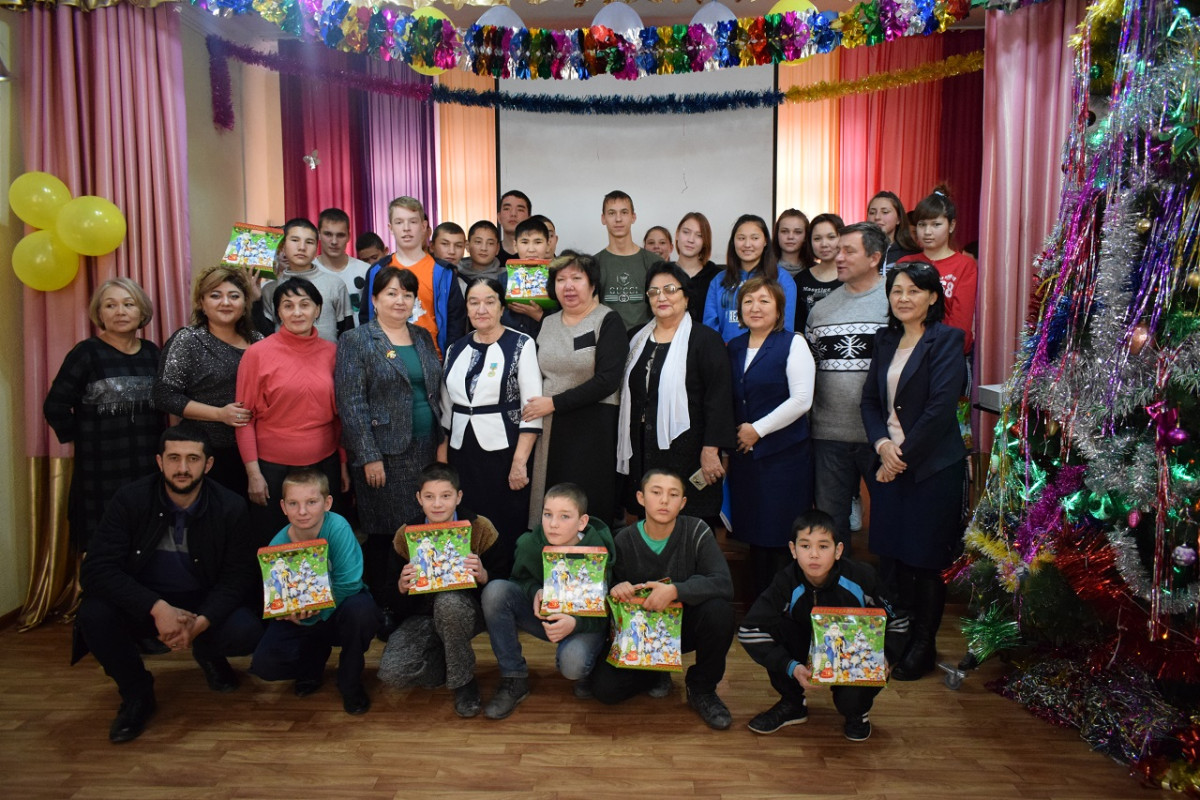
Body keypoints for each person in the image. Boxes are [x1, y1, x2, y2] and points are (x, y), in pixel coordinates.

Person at [77, 425, 263, 743]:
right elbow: (96, 569)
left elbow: (238, 577)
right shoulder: (131, 500)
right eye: (174, 458)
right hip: (145, 602)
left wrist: (201, 623)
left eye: (193, 459)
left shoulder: (230, 506)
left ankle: (208, 652)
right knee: (93, 614)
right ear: (159, 461)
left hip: (201, 601)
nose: (182, 468)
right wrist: (156, 608)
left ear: (208, 464)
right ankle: (137, 693)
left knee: (247, 629)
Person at [860, 261, 967, 681]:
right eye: (896, 291)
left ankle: (924, 645)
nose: (903, 298)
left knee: (926, 561)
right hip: (889, 464)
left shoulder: (947, 340)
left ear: (933, 297)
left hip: (931, 470)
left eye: (914, 291)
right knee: (894, 559)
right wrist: (882, 446)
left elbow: (940, 409)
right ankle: (900, 638)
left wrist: (898, 458)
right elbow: (870, 402)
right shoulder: (885, 339)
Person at [738, 510, 902, 742]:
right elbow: (749, 630)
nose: (814, 554)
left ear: (838, 550)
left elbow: (899, 621)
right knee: (774, 626)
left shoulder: (862, 577)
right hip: (803, 646)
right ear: (793, 550)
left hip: (852, 652)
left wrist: (886, 657)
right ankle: (793, 703)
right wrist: (791, 667)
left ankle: (857, 713)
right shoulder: (785, 581)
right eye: (805, 546)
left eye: (823, 546)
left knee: (850, 701)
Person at [590, 469, 736, 730]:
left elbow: (723, 582)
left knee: (719, 611)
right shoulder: (623, 539)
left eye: (673, 494)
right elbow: (604, 590)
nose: (664, 500)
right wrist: (616, 588)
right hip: (641, 635)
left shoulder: (696, 531)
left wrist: (675, 590)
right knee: (605, 691)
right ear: (641, 498)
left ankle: (701, 688)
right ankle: (656, 670)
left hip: (683, 628)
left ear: (683, 502)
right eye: (656, 492)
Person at [336, 267, 444, 617]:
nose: (400, 301)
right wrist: (369, 455)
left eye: (407, 294)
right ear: (375, 298)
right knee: (386, 533)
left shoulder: (422, 336)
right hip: (383, 453)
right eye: (392, 293)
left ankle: (421, 601)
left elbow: (432, 391)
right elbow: (352, 403)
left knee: (419, 527)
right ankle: (385, 607)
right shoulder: (357, 340)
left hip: (426, 447)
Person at [45, 278, 164, 550]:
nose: (120, 312)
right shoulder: (86, 353)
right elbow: (55, 405)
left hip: (147, 467)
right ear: (99, 313)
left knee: (146, 544)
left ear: (142, 311)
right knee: (104, 548)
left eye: (128, 304)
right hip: (100, 471)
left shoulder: (152, 353)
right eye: (110, 305)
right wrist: (81, 440)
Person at [249, 469, 381, 715]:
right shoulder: (276, 546)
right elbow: (277, 596)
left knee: (362, 611)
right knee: (265, 665)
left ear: (327, 503)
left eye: (311, 502)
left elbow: (350, 582)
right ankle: (311, 665)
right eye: (293, 503)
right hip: (302, 619)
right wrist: (286, 613)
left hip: (339, 608)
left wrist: (315, 614)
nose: (302, 511)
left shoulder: (337, 527)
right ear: (283, 507)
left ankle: (350, 681)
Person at [480, 483, 615, 719]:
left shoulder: (599, 550)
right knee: (495, 591)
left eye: (564, 517)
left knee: (573, 665)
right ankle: (513, 676)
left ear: (582, 522)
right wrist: (535, 591)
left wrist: (576, 623)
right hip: (545, 616)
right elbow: (518, 580)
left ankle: (591, 665)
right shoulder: (530, 543)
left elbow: (606, 610)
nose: (553, 524)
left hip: (587, 623)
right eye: (548, 514)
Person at [378, 463, 501, 717]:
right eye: (429, 497)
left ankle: (464, 683)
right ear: (419, 499)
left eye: (445, 496)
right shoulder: (405, 535)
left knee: (449, 602)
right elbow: (389, 597)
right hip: (423, 615)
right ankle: (448, 661)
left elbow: (505, 583)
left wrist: (484, 576)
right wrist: (401, 587)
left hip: (466, 610)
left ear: (458, 497)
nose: (437, 504)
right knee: (393, 672)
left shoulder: (481, 528)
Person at [439, 278, 543, 575]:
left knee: (505, 521)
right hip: (462, 451)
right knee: (468, 519)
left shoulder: (521, 344)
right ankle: (467, 581)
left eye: (489, 302)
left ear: (501, 307)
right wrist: (443, 463)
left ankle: (503, 583)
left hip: (505, 450)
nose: (481, 309)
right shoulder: (455, 348)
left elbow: (532, 408)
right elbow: (445, 410)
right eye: (474, 302)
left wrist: (519, 462)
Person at [617, 263, 734, 524]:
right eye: (654, 291)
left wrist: (711, 449)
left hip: (690, 448)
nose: (661, 297)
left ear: (686, 296)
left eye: (670, 289)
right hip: (642, 446)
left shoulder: (705, 340)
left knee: (690, 520)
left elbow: (719, 399)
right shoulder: (635, 338)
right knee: (647, 515)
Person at [235, 277, 347, 544]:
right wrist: (253, 474)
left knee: (325, 542)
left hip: (325, 465)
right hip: (273, 471)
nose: (297, 312)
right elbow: (244, 419)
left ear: (318, 309)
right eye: (288, 305)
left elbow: (340, 418)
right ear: (278, 312)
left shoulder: (333, 353)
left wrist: (343, 465)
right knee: (276, 544)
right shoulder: (256, 354)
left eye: (304, 304)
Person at [727, 277, 816, 597]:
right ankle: (758, 608)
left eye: (764, 301)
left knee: (781, 536)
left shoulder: (793, 343)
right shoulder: (734, 346)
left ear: (779, 309)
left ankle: (784, 608)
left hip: (784, 458)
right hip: (746, 460)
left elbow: (801, 400)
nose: (755, 307)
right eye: (748, 301)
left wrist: (758, 429)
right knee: (754, 537)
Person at [523, 252, 625, 528]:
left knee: (586, 506)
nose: (568, 286)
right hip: (551, 427)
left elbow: (607, 380)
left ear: (592, 285)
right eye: (561, 279)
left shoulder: (607, 320)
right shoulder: (548, 322)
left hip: (593, 426)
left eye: (576, 278)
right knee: (554, 506)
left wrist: (555, 402)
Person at [806, 222, 890, 548]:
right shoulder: (821, 310)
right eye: (838, 249)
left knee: (889, 523)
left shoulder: (894, 303)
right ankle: (837, 581)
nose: (837, 257)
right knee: (831, 527)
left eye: (848, 251)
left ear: (874, 257)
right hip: (828, 435)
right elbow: (812, 369)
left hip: (882, 437)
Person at [154, 265, 263, 498]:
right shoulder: (188, 340)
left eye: (234, 296)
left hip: (257, 451)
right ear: (202, 303)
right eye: (215, 295)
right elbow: (164, 395)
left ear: (245, 303)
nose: (226, 302)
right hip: (205, 452)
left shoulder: (258, 340)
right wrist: (219, 414)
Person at [359, 196, 467, 357]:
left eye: (413, 222)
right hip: (386, 360)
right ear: (390, 227)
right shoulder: (377, 271)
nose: (406, 228)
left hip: (432, 359)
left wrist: (449, 361)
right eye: (399, 222)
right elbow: (367, 319)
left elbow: (456, 324)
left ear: (423, 226)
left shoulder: (443, 272)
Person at [898, 185, 978, 355]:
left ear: (951, 225)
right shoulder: (905, 263)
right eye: (922, 225)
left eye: (936, 224)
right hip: (908, 350)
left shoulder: (964, 265)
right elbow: (896, 314)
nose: (927, 232)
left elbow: (961, 321)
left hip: (947, 353)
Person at [703, 214, 798, 343]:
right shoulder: (719, 280)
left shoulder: (782, 279)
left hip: (767, 352)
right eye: (741, 238)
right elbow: (709, 329)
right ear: (733, 242)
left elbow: (785, 329)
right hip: (724, 352)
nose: (747, 244)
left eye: (755, 238)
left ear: (765, 241)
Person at [261, 218, 354, 343]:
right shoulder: (270, 289)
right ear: (283, 246)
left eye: (309, 242)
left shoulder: (335, 284)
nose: (302, 247)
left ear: (316, 248)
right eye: (295, 240)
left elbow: (347, 334)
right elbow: (265, 336)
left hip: (327, 354)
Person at [594, 190, 663, 333]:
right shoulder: (594, 264)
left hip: (647, 338)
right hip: (607, 339)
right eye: (612, 213)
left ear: (633, 217)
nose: (618, 219)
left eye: (624, 212)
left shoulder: (654, 262)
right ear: (603, 218)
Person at [314, 208, 371, 325]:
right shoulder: (309, 271)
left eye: (340, 235)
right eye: (328, 234)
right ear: (318, 234)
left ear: (349, 236)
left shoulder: (365, 271)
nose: (334, 241)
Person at [793, 213, 843, 333]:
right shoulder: (801, 280)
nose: (824, 244)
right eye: (817, 238)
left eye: (831, 237)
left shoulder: (852, 278)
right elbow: (797, 326)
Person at [671, 211, 722, 324]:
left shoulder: (717, 276)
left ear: (705, 242)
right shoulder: (665, 273)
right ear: (677, 234)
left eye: (699, 235)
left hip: (706, 335)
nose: (691, 240)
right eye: (686, 232)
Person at [867, 190, 920, 272]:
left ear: (898, 219)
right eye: (872, 212)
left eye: (885, 212)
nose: (877, 217)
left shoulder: (912, 255)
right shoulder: (860, 251)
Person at [458, 220, 504, 290]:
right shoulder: (456, 275)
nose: (484, 248)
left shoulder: (508, 276)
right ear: (467, 245)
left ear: (497, 248)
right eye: (478, 242)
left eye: (490, 243)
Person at [773, 209, 812, 279]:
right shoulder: (764, 269)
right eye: (784, 231)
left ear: (806, 236)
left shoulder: (815, 270)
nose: (790, 237)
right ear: (777, 234)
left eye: (797, 232)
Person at [497, 189, 532, 265]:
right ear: (499, 218)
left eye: (520, 210)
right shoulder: (490, 254)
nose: (513, 214)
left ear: (529, 219)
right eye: (507, 209)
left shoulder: (536, 253)